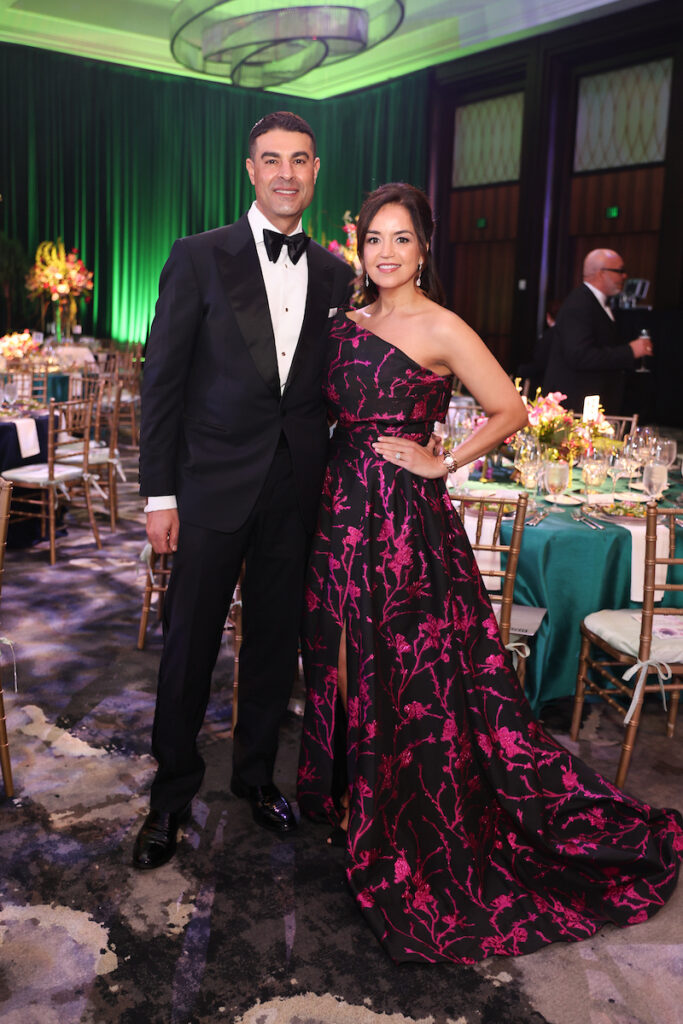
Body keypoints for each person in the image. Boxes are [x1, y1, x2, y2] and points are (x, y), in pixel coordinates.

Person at [297, 183, 682, 963]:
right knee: (336, 655)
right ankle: (349, 797)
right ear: (359, 246)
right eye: (375, 238)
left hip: (405, 522)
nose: (386, 252)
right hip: (338, 509)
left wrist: (443, 462)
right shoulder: (343, 324)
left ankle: (397, 812)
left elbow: (507, 407)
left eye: (401, 239)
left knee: (405, 670)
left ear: (422, 249)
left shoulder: (441, 326)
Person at [133, 111, 354, 870]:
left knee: (271, 646)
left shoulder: (335, 274)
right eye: (271, 159)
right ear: (250, 170)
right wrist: (157, 495)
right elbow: (159, 384)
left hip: (297, 488)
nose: (286, 172)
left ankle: (256, 778)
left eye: (299, 159)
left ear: (316, 171)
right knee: (188, 646)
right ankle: (169, 799)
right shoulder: (197, 256)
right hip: (207, 487)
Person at [542, 249, 652, 413]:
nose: (624, 276)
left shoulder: (596, 302)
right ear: (601, 274)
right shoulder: (580, 304)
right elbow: (579, 356)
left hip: (591, 402)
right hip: (576, 406)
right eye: (620, 271)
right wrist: (630, 351)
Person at [516, 299, 561, 397]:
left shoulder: (549, 336)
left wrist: (521, 370)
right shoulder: (568, 335)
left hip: (545, 383)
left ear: (548, 316)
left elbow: (539, 363)